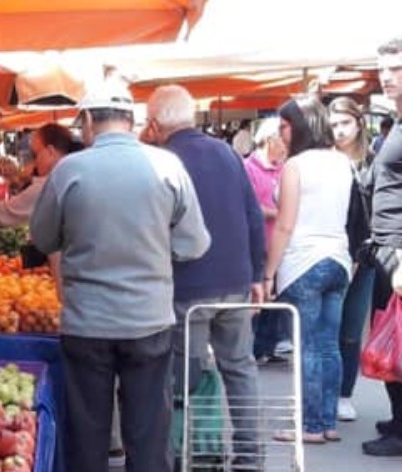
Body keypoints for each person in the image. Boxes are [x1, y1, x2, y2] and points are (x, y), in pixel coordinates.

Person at [30, 82, 210, 472]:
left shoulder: (69, 170)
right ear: (132, 120)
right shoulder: (167, 166)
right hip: (148, 320)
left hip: (87, 322)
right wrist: (156, 251)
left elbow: (42, 238)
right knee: (149, 437)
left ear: (88, 121)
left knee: (87, 436)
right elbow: (195, 243)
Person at [145, 84, 266, 469]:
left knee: (187, 376)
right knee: (240, 368)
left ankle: (195, 456)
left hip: (188, 286)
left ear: (154, 124)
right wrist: (258, 274)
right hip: (235, 280)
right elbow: (253, 215)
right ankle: (250, 456)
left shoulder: (160, 162)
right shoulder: (227, 153)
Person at [264, 95, 352, 444]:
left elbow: (285, 225)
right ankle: (327, 422)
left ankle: (310, 425)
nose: (281, 133)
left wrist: (268, 272)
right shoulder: (342, 162)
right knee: (329, 345)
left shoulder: (296, 166)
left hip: (302, 261)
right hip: (339, 259)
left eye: (285, 126)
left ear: (300, 127)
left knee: (307, 347)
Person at [362, 36, 402, 457]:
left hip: (399, 249)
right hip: (387, 246)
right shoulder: (398, 121)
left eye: (396, 69)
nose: (387, 76)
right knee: (390, 335)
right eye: (383, 69)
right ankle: (398, 420)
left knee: (399, 339)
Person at [328, 96, 377, 422]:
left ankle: (344, 393)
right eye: (334, 125)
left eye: (345, 123)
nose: (340, 130)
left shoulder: (372, 161)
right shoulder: (324, 159)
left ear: (359, 123)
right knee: (326, 328)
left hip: (366, 255)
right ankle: (324, 394)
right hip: (331, 251)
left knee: (351, 327)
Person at [244, 118, 291, 365]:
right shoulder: (248, 167)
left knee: (277, 297)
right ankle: (250, 348)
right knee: (258, 296)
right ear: (270, 140)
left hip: (281, 243)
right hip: (259, 242)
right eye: (282, 141)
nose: (286, 146)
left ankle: (267, 346)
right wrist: (282, 213)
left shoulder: (285, 169)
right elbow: (252, 206)